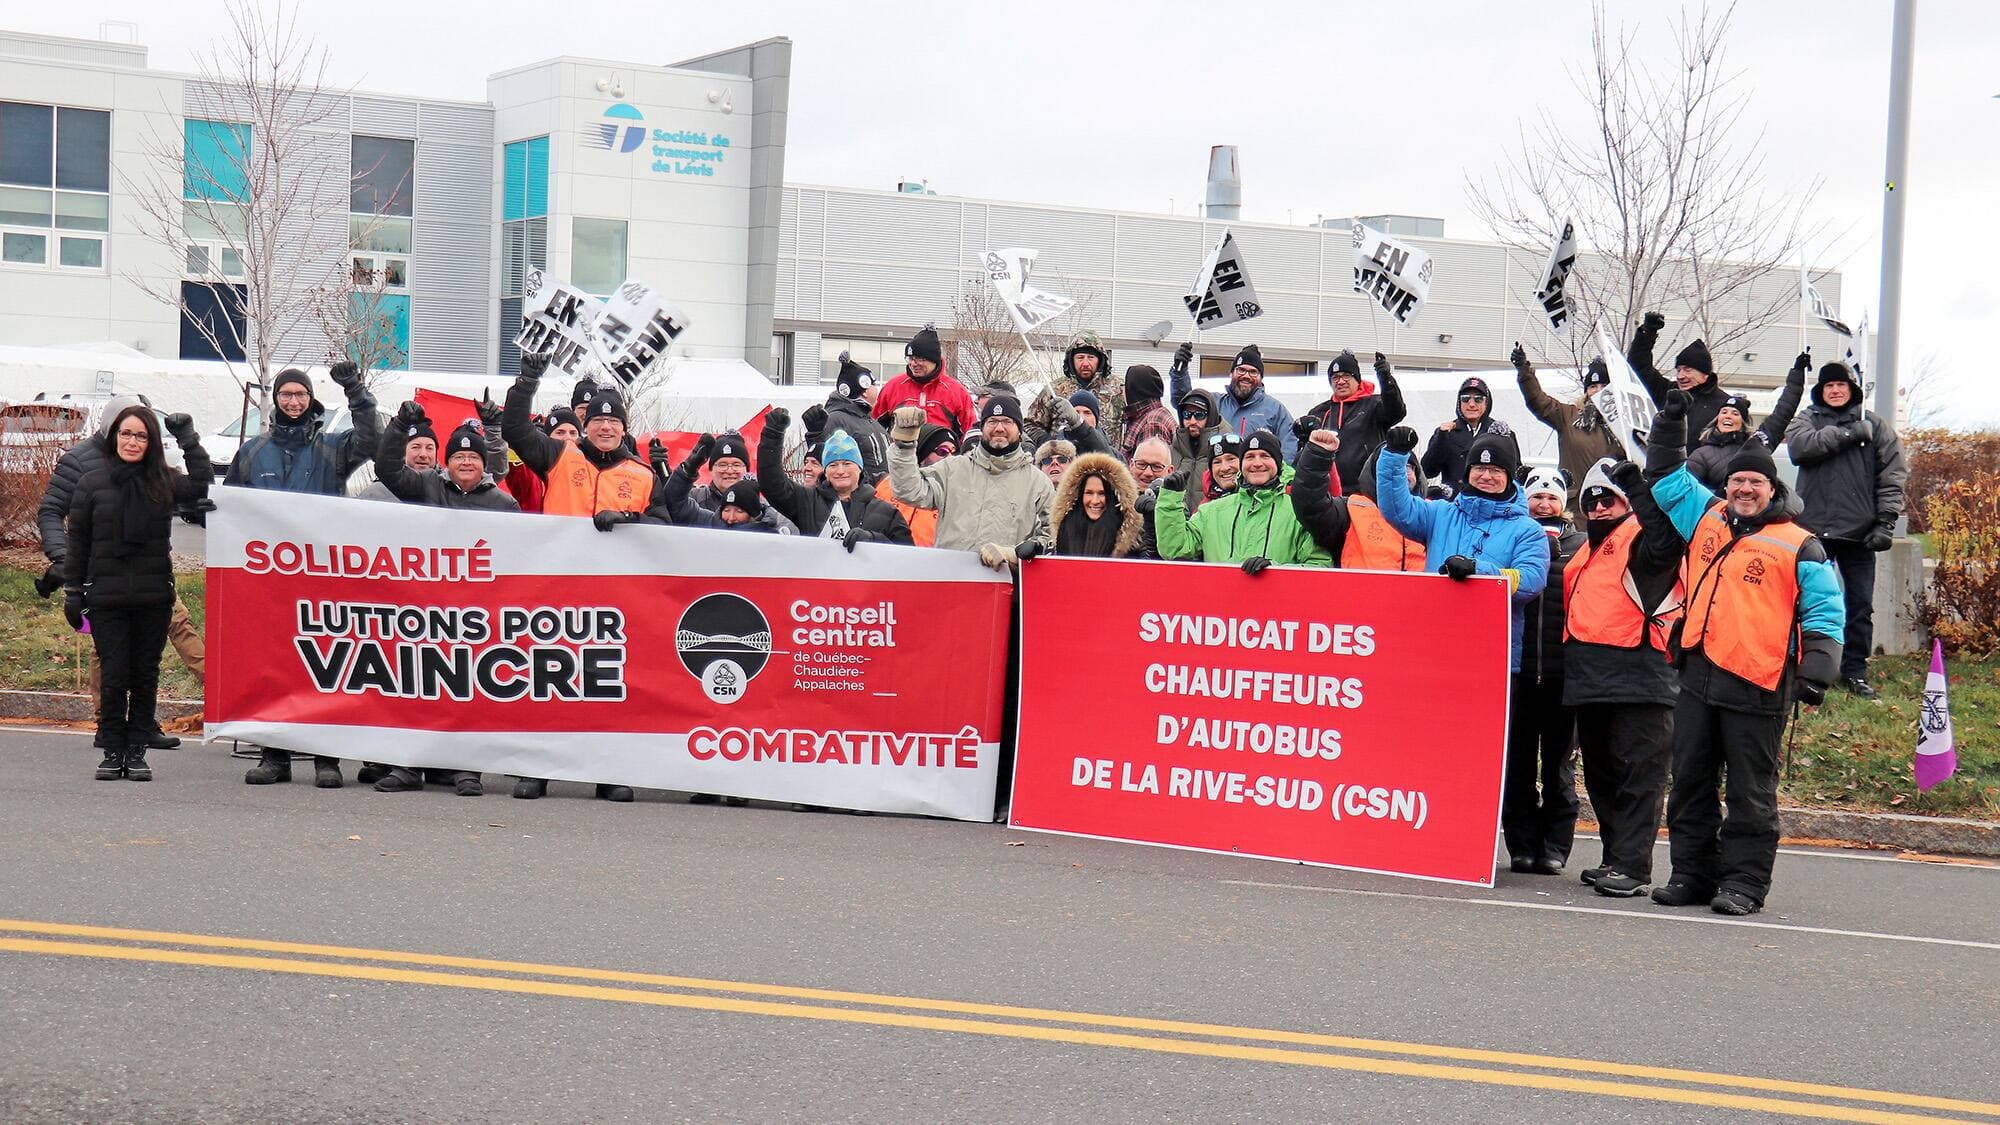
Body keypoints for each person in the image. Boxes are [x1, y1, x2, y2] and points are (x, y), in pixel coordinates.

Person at [1648, 390, 1844, 914]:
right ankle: (1692, 874)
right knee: (1689, 782)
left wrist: (1817, 672)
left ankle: (1743, 885)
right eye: (1737, 481)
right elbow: (1665, 474)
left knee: (1750, 794)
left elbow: (1826, 613)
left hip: (1758, 683)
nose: (1744, 489)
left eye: (1755, 482)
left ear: (1772, 488)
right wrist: (1670, 421)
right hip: (1698, 674)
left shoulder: (1800, 543)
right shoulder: (1706, 517)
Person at [228, 363, 382, 789]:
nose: (293, 401)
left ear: (311, 399)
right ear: (276, 400)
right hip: (270, 582)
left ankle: (326, 759)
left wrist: (356, 391)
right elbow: (232, 508)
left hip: (321, 578)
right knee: (275, 668)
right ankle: (275, 757)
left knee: (322, 668)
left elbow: (372, 439)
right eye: (285, 395)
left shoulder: (332, 448)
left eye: (299, 394)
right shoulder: (253, 452)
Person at [36, 399, 206, 754]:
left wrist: (190, 442)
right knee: (110, 657)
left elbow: (194, 488)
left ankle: (147, 725)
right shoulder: (81, 464)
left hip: (151, 579)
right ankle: (110, 728)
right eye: (125, 431)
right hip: (103, 577)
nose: (132, 440)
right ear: (112, 430)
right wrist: (65, 562)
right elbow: (54, 512)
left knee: (167, 640)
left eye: (141, 433)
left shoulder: (156, 471)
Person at [1560, 458, 1687, 897]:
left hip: (1641, 675)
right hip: (1590, 679)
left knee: (1639, 777)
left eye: (1607, 499)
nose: (1597, 507)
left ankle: (1633, 866)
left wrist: (1637, 490)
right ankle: (1616, 857)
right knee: (1602, 776)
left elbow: (1667, 542)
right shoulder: (1586, 550)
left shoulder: (1641, 538)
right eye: (1590, 501)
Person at [1377, 427, 1549, 674]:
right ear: (1468, 472)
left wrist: (1478, 572)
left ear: (1509, 476)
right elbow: (1396, 509)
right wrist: (1395, 455)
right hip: (1434, 645)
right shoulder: (1440, 513)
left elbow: (1531, 581)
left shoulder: (1528, 530)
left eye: (1496, 470)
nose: (1486, 476)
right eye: (1479, 468)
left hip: (1491, 655)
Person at [1784, 361, 1907, 699]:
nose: (1835, 390)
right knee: (1801, 602)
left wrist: (1885, 521)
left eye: (1841, 385)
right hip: (1811, 532)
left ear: (1852, 389)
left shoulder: (1876, 425)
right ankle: (1798, 664)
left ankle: (1854, 672)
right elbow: (1799, 448)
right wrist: (1849, 434)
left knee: (1859, 606)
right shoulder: (1807, 419)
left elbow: (1893, 476)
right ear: (1820, 391)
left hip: (1859, 532)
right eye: (1829, 386)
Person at [1505, 467, 1587, 875]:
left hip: (1562, 676)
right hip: (1518, 674)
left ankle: (1555, 846)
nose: (1544, 503)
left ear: (1564, 502)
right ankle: (1520, 845)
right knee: (1516, 764)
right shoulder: (1514, 539)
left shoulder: (1582, 545)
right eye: (1536, 496)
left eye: (1551, 496)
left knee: (1558, 767)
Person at [888, 395, 1053, 568]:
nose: (999, 428)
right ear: (982, 427)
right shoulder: (952, 469)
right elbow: (909, 491)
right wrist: (904, 446)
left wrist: (1014, 554)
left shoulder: (1038, 483)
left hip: (1006, 585)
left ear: (1019, 429)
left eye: (1007, 421)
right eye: (992, 421)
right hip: (951, 580)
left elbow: (1051, 536)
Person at [502, 353, 659, 522]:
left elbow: (664, 524)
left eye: (613, 421)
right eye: (597, 420)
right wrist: (527, 383)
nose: (605, 427)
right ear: (585, 425)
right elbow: (515, 430)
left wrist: (629, 518)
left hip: (615, 549)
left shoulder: (645, 474)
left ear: (623, 430)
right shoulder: (559, 454)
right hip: (561, 548)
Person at [1154, 430, 1329, 570]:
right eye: (1250, 457)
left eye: (1265, 456)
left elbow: (1320, 565)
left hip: (1276, 610)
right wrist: (1170, 498)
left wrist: (1275, 571)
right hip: (1220, 609)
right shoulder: (1210, 512)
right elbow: (1174, 549)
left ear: (1277, 463)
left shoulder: (1298, 512)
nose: (1257, 463)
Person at [758, 412, 912, 547]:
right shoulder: (807, 501)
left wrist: (872, 540)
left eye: (847, 464)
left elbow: (907, 557)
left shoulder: (886, 512)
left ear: (859, 467)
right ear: (825, 471)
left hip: (864, 580)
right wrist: (772, 436)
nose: (840, 471)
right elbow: (773, 485)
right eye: (833, 465)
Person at [1512, 344, 1623, 510]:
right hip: (1575, 506)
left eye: (1604, 386)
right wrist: (1524, 371)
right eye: (1593, 386)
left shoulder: (1623, 425)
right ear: (1586, 391)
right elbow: (1538, 401)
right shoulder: (1568, 416)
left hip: (1610, 505)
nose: (1598, 391)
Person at [1685, 352, 1809, 494]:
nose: (1728, 416)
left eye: (1735, 413)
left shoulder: (1758, 443)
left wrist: (1797, 375)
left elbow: (1783, 413)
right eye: (1724, 412)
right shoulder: (1701, 454)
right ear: (1716, 420)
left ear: (1743, 422)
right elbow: (1688, 492)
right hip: (1719, 515)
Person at [1295, 350, 1406, 494]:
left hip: (1367, 491)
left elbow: (1396, 411)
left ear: (1357, 379)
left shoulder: (1375, 404)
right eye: (1335, 377)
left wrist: (1385, 378)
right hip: (1328, 492)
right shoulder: (1319, 412)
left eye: (1346, 376)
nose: (1340, 381)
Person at [1629, 311, 1731, 451]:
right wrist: (1648, 332)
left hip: (1699, 470)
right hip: (1661, 468)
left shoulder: (1724, 405)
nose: (1680, 376)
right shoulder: (1668, 392)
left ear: (1705, 374)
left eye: (1688, 370)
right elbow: (1639, 368)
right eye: (1678, 370)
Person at [1028, 452, 1144, 559]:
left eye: (1102, 493)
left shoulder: (1134, 546)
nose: (1095, 501)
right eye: (1089, 493)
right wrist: (1038, 549)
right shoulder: (1065, 532)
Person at [872, 324, 977, 435]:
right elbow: (874, 425)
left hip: (942, 451)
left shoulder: (956, 391)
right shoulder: (893, 386)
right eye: (911, 359)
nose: (913, 364)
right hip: (901, 451)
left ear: (934, 360)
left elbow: (970, 431)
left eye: (919, 359)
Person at [1421, 377, 1519, 494]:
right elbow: (1428, 471)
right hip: (1455, 503)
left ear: (1487, 402)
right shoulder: (1446, 432)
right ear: (1459, 403)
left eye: (1478, 399)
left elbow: (1515, 473)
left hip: (1492, 502)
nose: (1471, 404)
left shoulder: (1501, 432)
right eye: (1465, 399)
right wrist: (1441, 439)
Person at [801, 352, 889, 480]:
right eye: (873, 385)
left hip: (880, 494)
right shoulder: (835, 419)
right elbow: (822, 458)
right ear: (864, 390)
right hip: (858, 496)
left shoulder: (868, 420)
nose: (877, 389)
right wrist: (815, 435)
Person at [689, 432, 798, 534]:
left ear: (746, 469)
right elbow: (675, 503)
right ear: (711, 469)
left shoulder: (766, 508)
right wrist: (687, 470)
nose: (730, 471)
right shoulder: (695, 498)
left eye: (736, 465)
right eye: (722, 464)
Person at [1037, 331, 1124, 445]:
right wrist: (1050, 443)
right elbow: (1031, 425)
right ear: (1071, 360)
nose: (1085, 363)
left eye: (1091, 357)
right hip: (1064, 460)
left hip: (1105, 458)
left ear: (1100, 359)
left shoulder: (1117, 389)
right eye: (1080, 357)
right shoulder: (1054, 390)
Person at [1214, 346, 1298, 461]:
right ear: (1231, 373)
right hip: (1222, 475)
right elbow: (1188, 405)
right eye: (1241, 370)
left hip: (1256, 476)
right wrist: (1181, 374)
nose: (1246, 376)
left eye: (1253, 372)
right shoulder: (1216, 403)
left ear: (1261, 378)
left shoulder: (1275, 409)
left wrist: (1280, 476)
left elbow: (1289, 449)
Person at [875, 424, 952, 548]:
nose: (950, 458)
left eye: (954, 452)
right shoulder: (887, 486)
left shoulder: (953, 492)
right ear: (923, 451)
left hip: (931, 562)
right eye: (943, 451)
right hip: (888, 558)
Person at [1169, 388, 1225, 512]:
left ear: (1210, 416)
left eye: (1199, 415)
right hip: (1177, 523)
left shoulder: (1225, 452)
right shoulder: (1171, 451)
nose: (1192, 421)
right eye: (1187, 415)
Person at [1117, 365, 1178, 464]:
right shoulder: (1148, 414)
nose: (1123, 391)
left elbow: (1151, 471)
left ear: (1134, 390)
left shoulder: (1152, 423)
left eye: (1126, 386)